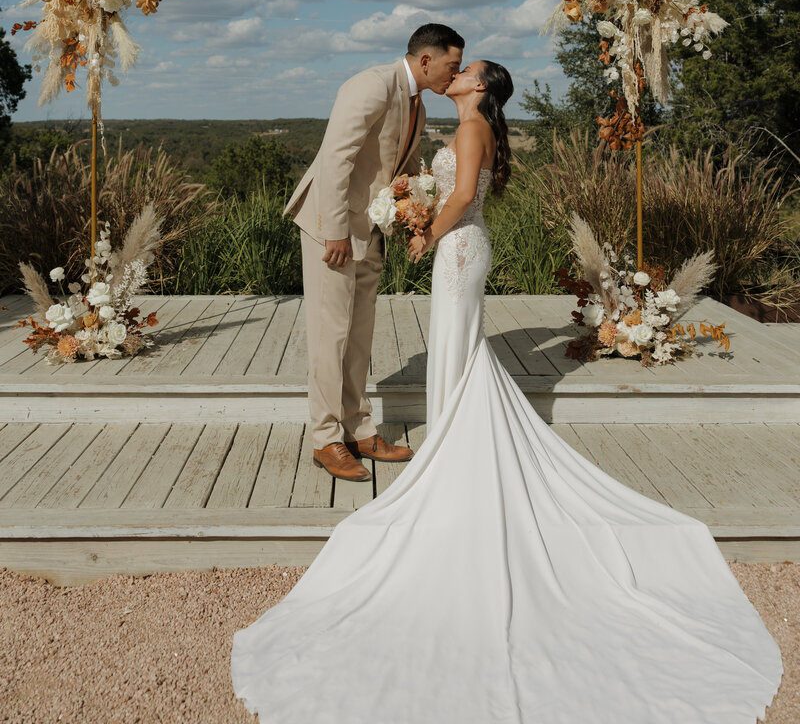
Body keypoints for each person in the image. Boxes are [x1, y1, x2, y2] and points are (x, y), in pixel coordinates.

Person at [233, 57, 782, 723]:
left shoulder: (470, 131)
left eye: (471, 71)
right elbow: (450, 191)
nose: (460, 72)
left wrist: (424, 233)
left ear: (483, 88)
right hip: (458, 248)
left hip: (459, 249)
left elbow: (462, 197)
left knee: (460, 354)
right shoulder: (466, 124)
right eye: (457, 66)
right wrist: (415, 214)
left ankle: (459, 448)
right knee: (461, 355)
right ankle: (457, 436)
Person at [283, 22, 464, 481]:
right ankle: (326, 439)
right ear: (426, 60)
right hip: (334, 228)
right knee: (331, 335)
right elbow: (335, 159)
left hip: (371, 229)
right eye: (451, 65)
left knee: (359, 333)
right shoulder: (371, 85)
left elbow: (396, 175)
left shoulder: (418, 107)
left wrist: (409, 217)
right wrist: (335, 231)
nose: (453, 74)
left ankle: (359, 430)